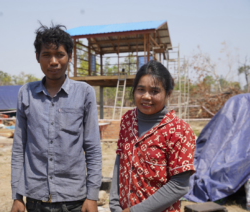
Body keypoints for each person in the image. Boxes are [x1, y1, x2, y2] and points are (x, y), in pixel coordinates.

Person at [11, 23, 102, 212]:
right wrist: (17, 196)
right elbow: (19, 147)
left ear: (70, 56)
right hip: (36, 200)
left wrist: (92, 196)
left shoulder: (84, 93)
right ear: (37, 57)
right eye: (46, 55)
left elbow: (92, 148)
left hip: (74, 200)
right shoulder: (26, 93)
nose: (53, 61)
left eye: (59, 54)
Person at [109, 61, 196, 212]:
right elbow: (120, 159)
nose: (146, 97)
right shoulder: (127, 120)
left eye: (154, 91)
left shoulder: (179, 130)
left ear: (168, 94)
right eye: (141, 90)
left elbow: (179, 185)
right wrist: (114, 203)